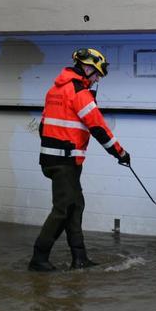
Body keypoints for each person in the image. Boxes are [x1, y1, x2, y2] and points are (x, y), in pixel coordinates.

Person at [28, 48, 130, 272]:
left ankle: (80, 258)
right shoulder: (79, 93)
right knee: (63, 209)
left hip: (53, 159)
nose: (96, 80)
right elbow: (99, 128)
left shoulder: (54, 90)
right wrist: (121, 154)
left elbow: (44, 126)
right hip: (65, 161)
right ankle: (39, 257)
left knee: (76, 205)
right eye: (96, 75)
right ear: (87, 67)